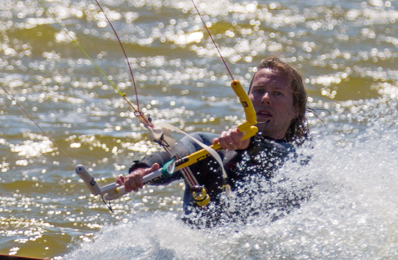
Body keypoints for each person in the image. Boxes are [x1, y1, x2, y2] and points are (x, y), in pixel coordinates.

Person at [117, 56, 308, 222]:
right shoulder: (211, 146)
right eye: (258, 90)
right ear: (246, 98)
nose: (265, 98)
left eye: (277, 93)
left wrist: (248, 144)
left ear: (296, 110)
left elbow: (273, 154)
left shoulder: (299, 163)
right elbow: (180, 153)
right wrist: (142, 170)